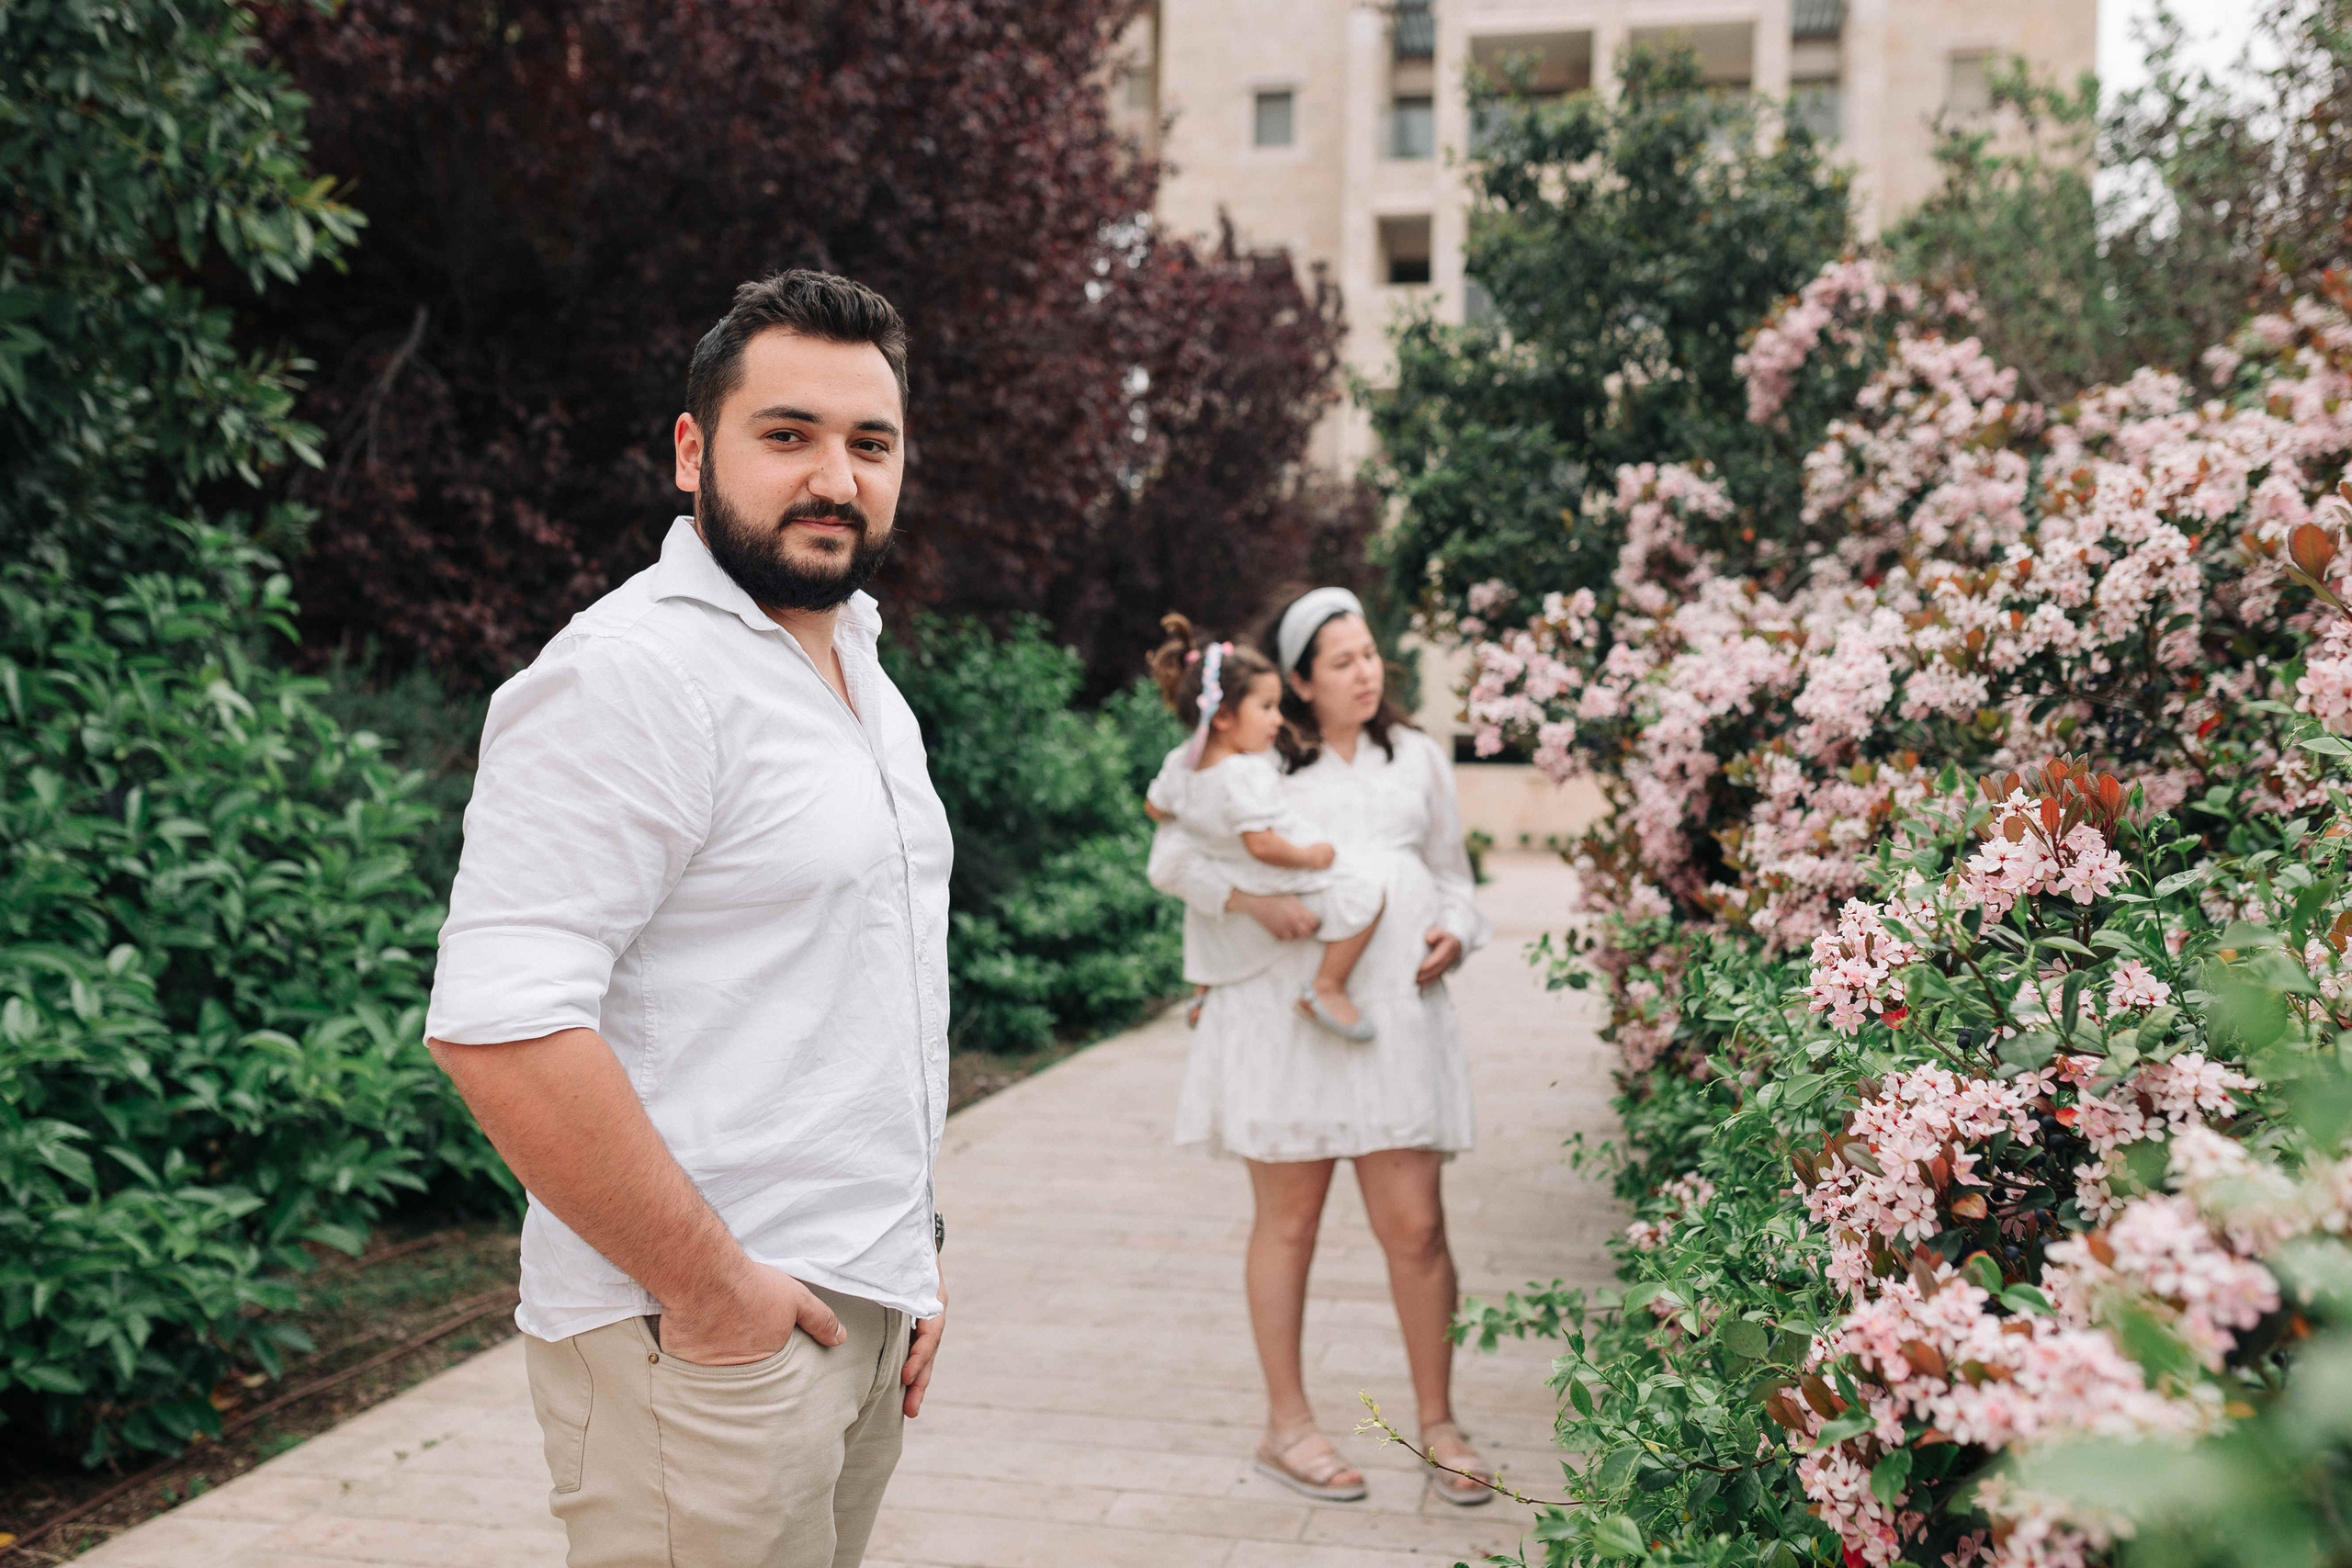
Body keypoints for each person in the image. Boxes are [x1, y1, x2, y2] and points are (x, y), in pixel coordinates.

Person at [424, 270, 949, 1568]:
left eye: (868, 442)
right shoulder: (632, 673)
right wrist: (716, 1297)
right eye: (788, 434)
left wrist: (911, 1257)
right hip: (701, 1338)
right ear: (691, 452)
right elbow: (500, 1026)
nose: (835, 474)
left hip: (862, 1307)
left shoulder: (865, 671)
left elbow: (859, 999)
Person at [1147, 585, 1496, 1507]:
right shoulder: (1256, 759)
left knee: (1416, 1227)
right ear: (1297, 681)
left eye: (1371, 654)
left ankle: (1437, 1421)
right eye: (1342, 662)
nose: (1366, 672)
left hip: (1395, 1023)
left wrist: (1456, 931)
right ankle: (1286, 1427)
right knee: (1289, 1225)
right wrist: (1253, 902)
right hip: (1281, 1015)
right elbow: (1177, 859)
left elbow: (1458, 881)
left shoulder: (1418, 756)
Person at [1143, 614, 1385, 1039]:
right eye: (1267, 708)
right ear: (1222, 717)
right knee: (1367, 892)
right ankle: (1327, 986)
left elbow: (1154, 808)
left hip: (1227, 869)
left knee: (1206, 917)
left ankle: (1203, 987)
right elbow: (1262, 845)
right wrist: (1311, 856)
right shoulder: (1245, 773)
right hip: (1268, 875)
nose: (1277, 719)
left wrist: (1195, 814)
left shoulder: (1180, 765)